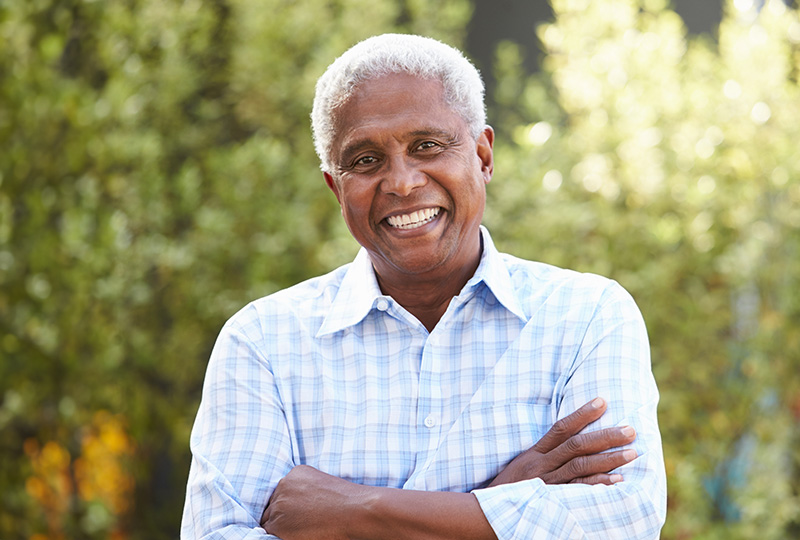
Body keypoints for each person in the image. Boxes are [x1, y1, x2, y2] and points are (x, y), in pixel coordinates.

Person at [181, 34, 667, 539]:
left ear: (482, 156)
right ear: (335, 187)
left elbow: (622, 521)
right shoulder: (263, 343)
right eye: (366, 160)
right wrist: (500, 506)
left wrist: (355, 511)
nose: (403, 182)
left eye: (427, 146)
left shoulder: (585, 316)